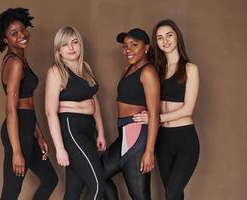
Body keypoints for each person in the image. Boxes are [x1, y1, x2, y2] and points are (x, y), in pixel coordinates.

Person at [0, 7, 58, 199]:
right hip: (17, 132)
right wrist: (16, 151)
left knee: (50, 180)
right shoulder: (16, 64)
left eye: (22, 30)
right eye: (14, 33)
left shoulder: (21, 59)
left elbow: (27, 104)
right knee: (11, 192)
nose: (22, 35)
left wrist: (39, 136)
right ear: (5, 39)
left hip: (27, 128)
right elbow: (12, 110)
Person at [133, 19, 200, 200]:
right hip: (163, 140)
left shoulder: (190, 68)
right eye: (160, 38)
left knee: (172, 191)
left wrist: (155, 119)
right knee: (172, 194)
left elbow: (188, 109)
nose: (165, 41)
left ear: (177, 36)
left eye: (169, 35)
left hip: (185, 139)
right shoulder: (156, 69)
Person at [45, 26, 106, 200]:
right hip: (71, 130)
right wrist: (60, 149)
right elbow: (50, 112)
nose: (71, 48)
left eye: (74, 42)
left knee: (74, 188)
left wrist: (100, 132)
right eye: (65, 45)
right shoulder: (56, 71)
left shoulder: (85, 67)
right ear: (59, 50)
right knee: (97, 183)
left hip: (89, 130)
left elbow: (94, 101)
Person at [101, 28, 160, 200]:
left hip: (137, 137)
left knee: (139, 195)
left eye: (134, 45)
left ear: (146, 48)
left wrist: (149, 151)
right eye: (125, 46)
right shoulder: (128, 68)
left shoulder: (148, 73)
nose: (128, 50)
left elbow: (154, 115)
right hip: (124, 134)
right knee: (97, 176)